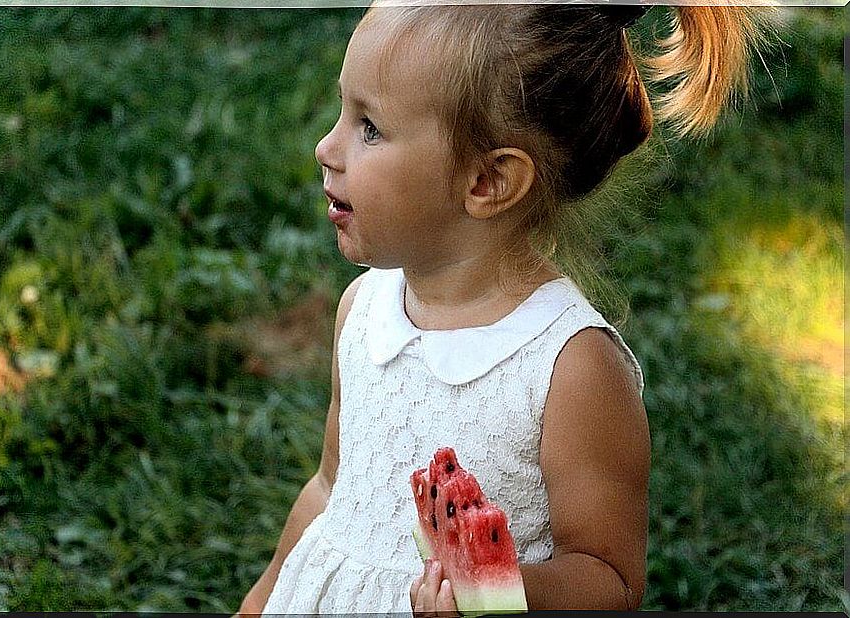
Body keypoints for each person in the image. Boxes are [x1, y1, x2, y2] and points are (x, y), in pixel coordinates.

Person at [238, 3, 767, 614]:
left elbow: (610, 579)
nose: (325, 147)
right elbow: (330, 489)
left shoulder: (570, 368)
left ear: (488, 182)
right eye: (343, 112)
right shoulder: (363, 310)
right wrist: (258, 603)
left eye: (370, 129)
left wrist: (492, 593)